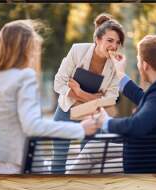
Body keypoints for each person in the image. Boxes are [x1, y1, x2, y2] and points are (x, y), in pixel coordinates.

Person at [0, 20, 98, 174]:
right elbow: (32, 126)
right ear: (27, 49)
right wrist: (80, 129)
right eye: (34, 48)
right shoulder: (24, 77)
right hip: (19, 166)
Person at [68, 34, 156, 174]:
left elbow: (137, 126)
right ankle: (68, 188)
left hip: (148, 159)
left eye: (138, 61)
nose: (138, 65)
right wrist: (120, 74)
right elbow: (146, 100)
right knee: (92, 148)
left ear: (145, 65)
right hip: (148, 149)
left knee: (93, 170)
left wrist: (105, 122)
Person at [51, 13, 125, 173]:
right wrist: (95, 98)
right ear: (98, 39)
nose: (114, 46)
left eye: (118, 43)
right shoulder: (77, 51)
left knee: (88, 161)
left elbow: (111, 100)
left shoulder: (115, 66)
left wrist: (78, 91)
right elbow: (58, 83)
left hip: (92, 116)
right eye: (110, 41)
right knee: (58, 159)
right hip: (66, 110)